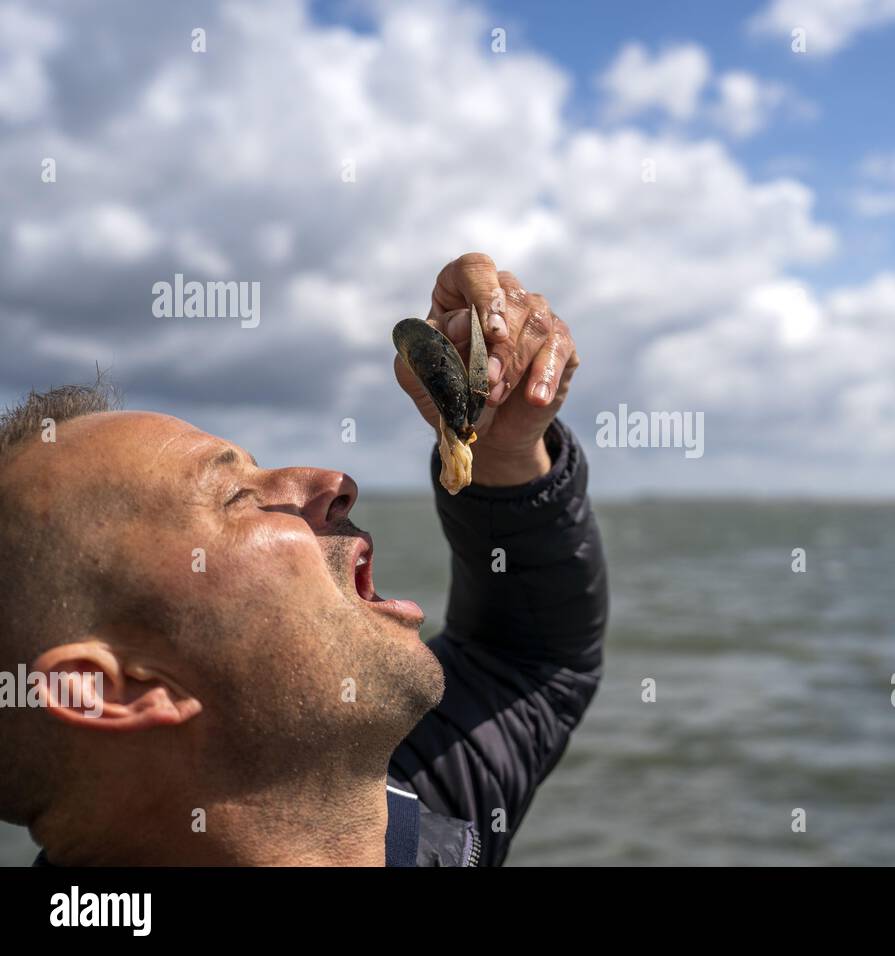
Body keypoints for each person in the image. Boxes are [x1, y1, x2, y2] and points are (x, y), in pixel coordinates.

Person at [0, 254, 607, 866]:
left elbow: (527, 661)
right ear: (108, 688)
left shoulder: (424, 800)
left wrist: (503, 449)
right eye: (238, 497)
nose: (336, 481)